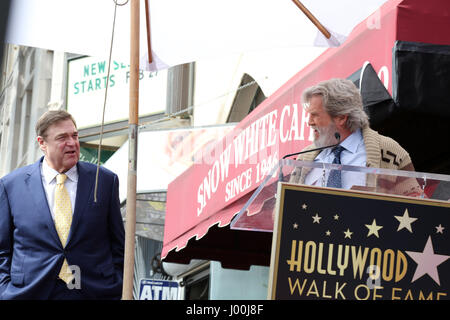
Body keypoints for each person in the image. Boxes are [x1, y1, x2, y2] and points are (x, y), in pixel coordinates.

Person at [0, 110, 125, 299]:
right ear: (42, 143)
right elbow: (3, 250)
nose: (72, 143)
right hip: (30, 292)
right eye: (62, 137)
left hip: (93, 292)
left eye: (74, 135)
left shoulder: (105, 181)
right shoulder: (11, 185)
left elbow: (118, 245)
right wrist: (5, 291)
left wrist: (116, 284)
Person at [290, 78, 423, 197]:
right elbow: (284, 211)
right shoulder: (304, 158)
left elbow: (416, 204)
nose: (309, 122)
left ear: (341, 117)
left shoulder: (388, 151)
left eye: (315, 115)